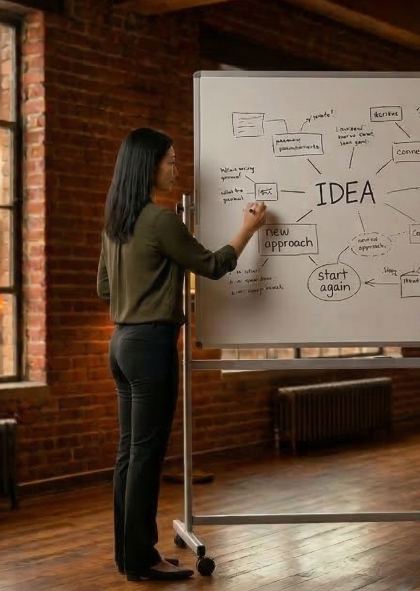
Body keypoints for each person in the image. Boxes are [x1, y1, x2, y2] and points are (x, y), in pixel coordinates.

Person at [97, 127, 268, 582]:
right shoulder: (161, 221)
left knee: (128, 455)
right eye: (170, 160)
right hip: (152, 347)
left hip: (121, 345)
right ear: (149, 166)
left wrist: (148, 281)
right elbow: (213, 265)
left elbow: (103, 288)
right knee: (147, 456)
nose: (177, 167)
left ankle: (130, 556)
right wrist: (249, 227)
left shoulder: (118, 221)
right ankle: (142, 560)